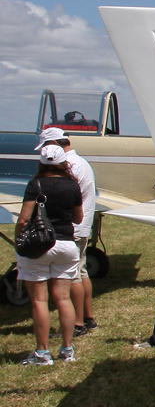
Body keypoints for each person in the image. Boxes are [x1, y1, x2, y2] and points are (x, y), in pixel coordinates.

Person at [15, 144, 84, 366]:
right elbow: (77, 219)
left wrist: (19, 240)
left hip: (41, 245)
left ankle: (42, 353)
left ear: (42, 162)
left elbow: (25, 218)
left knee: (39, 300)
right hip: (67, 244)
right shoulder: (73, 186)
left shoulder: (35, 185)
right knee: (63, 299)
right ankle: (67, 350)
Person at [37, 128, 99, 338]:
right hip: (80, 226)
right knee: (80, 273)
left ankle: (78, 324)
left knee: (72, 277)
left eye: (46, 146)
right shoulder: (81, 162)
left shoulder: (68, 166)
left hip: (70, 229)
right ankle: (87, 318)